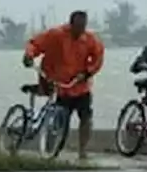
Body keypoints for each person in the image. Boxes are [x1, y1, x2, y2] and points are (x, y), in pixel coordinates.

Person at [22, 10, 105, 160]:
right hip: (58, 83)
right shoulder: (56, 35)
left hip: (79, 85)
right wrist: (29, 55)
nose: (80, 31)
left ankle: (82, 151)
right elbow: (35, 44)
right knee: (59, 120)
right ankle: (49, 150)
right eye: (77, 27)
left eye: (83, 27)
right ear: (71, 24)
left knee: (86, 117)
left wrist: (87, 72)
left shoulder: (90, 40)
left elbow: (98, 58)